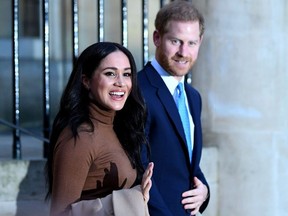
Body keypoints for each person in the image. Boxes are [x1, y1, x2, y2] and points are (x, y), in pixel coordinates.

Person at [45, 42, 154, 216]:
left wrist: (138, 196)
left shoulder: (119, 126)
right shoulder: (80, 138)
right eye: (110, 73)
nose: (120, 82)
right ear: (86, 81)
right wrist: (128, 199)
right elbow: (59, 213)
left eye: (126, 74)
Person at [138, 1, 209, 215]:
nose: (183, 52)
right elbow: (137, 167)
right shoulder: (138, 90)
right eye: (175, 41)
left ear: (200, 42)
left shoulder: (193, 97)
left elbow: (186, 161)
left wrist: (204, 190)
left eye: (191, 43)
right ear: (157, 38)